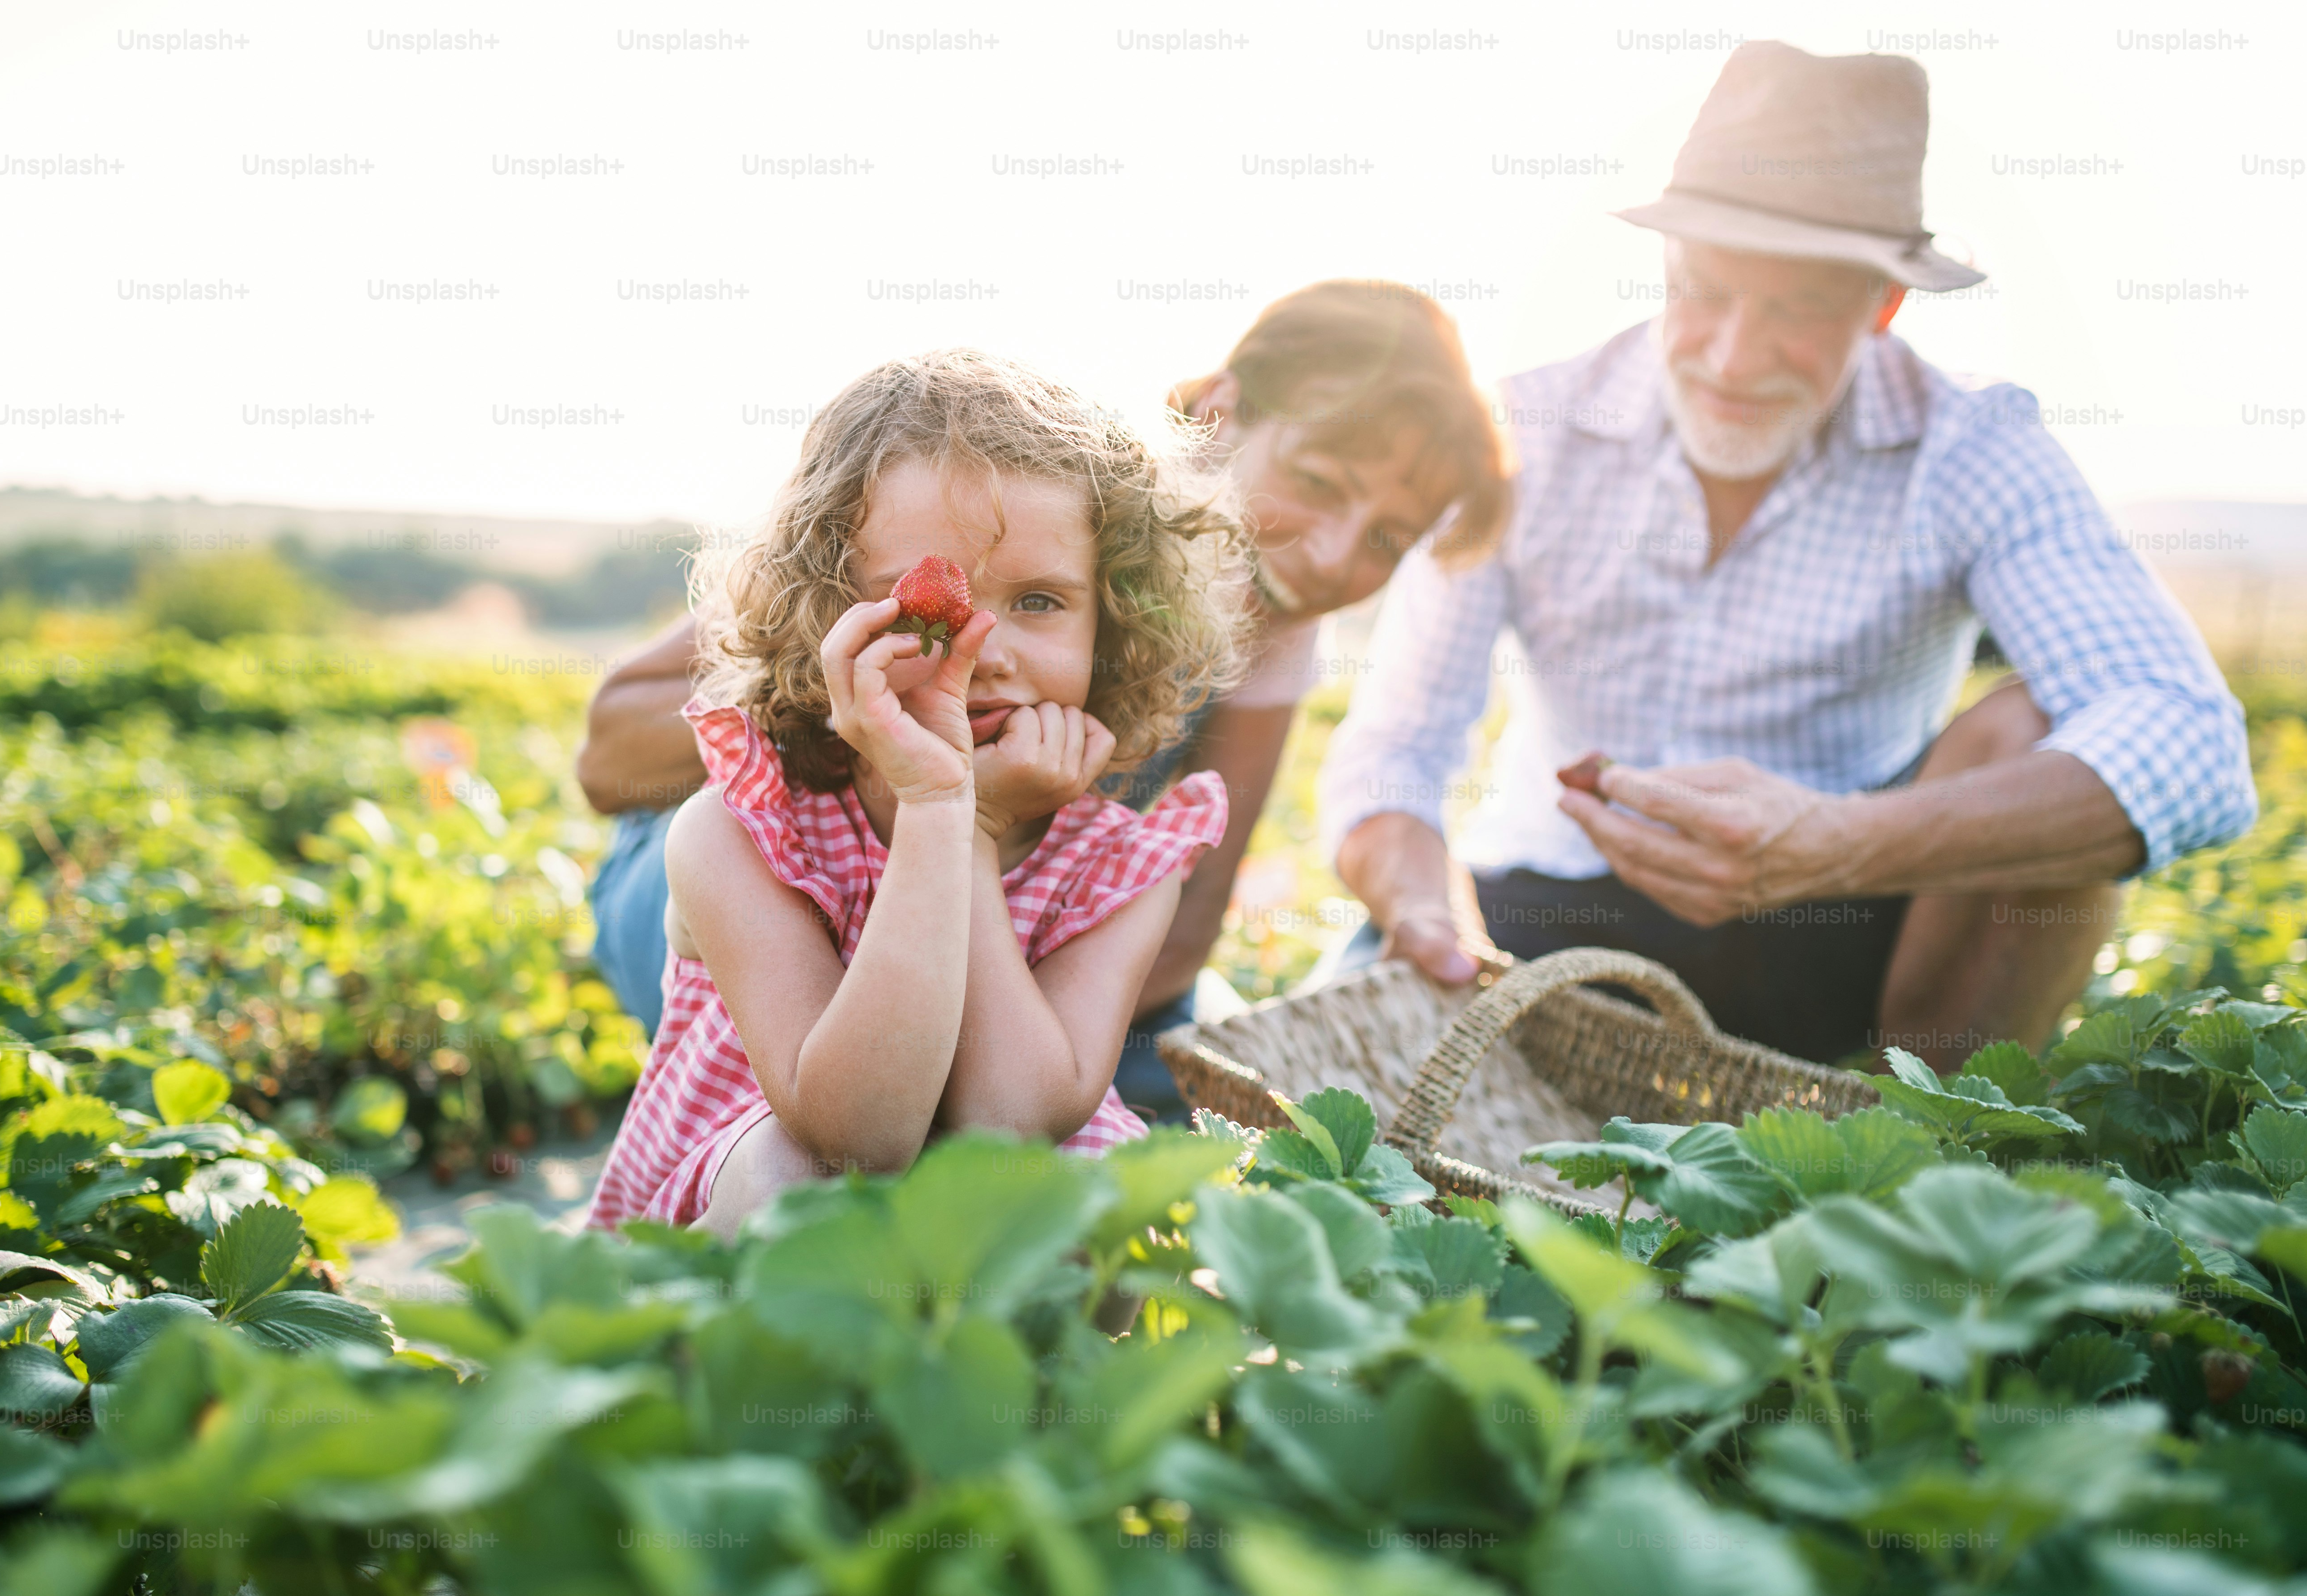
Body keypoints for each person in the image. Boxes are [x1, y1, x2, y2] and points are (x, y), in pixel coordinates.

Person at [1319, 40, 2256, 1071]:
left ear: (1882, 306)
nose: (1731, 358)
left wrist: (1838, 840)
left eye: (1798, 309)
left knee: (2037, 726)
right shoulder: (1531, 430)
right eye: (1705, 293)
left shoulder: (1971, 444)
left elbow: (2191, 741)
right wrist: (1423, 914)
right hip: (1546, 913)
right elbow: (1396, 746)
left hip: (1849, 929)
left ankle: (1930, 1146)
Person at [577, 282, 1512, 1115]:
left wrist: (997, 919)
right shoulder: (1003, 485)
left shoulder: (1277, 623)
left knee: (1212, 1071)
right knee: (861, 1066)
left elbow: (1183, 932)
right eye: (1316, 483)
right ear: (1222, 409)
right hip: (785, 897)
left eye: (1388, 540)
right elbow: (608, 757)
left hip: (1010, 929)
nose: (1333, 556)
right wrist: (856, 714)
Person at [585, 350, 1249, 1234]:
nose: (988, 649)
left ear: (1116, 621)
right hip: (749, 1228)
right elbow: (857, 1137)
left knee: (1104, 1198)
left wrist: (971, 831)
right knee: (802, 1181)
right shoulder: (744, 830)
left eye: (1043, 601)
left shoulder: (1121, 866)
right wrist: (943, 808)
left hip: (974, 1228)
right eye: (928, 608)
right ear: (824, 615)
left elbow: (1012, 1124)